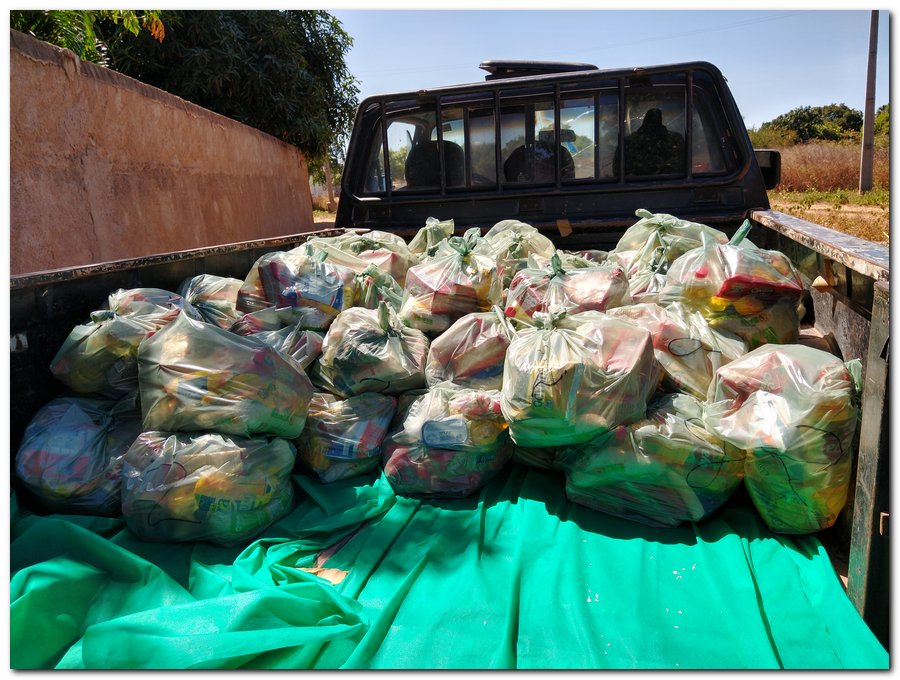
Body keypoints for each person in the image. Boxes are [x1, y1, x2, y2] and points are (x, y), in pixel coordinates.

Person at [623, 107, 685, 176]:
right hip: (671, 182)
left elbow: (619, 170)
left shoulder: (630, 141)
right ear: (660, 120)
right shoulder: (675, 139)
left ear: (645, 120)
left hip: (635, 184)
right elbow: (683, 165)